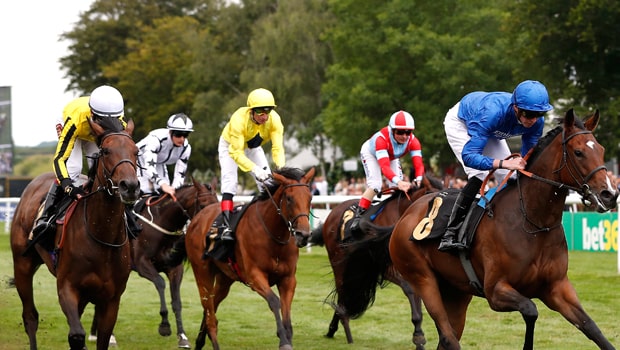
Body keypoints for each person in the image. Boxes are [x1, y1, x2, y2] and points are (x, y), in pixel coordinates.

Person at [438, 80, 554, 252]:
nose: (534, 119)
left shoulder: (536, 121)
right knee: (479, 174)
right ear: (516, 108)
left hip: (490, 130)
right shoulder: (492, 113)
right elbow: (469, 156)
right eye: (529, 114)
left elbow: (527, 156)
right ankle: (450, 233)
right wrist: (503, 163)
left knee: (514, 177)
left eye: (539, 113)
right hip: (461, 122)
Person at [32, 85, 135, 240]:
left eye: (111, 120)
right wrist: (67, 185)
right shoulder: (75, 121)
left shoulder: (119, 122)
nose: (107, 123)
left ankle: (125, 213)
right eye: (103, 120)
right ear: (93, 113)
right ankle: (46, 216)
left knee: (100, 165)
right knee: (74, 168)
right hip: (75, 126)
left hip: (95, 135)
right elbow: (60, 158)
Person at [218, 88, 285, 241]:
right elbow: (236, 154)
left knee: (268, 184)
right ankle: (226, 227)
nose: (265, 116)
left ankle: (270, 224)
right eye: (261, 111)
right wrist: (255, 169)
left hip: (252, 148)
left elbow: (278, 148)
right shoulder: (238, 119)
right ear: (251, 110)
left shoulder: (275, 120)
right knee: (230, 182)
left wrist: (280, 169)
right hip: (230, 147)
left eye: (268, 110)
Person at [349, 110, 425, 232]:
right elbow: (385, 167)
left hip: (391, 156)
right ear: (392, 130)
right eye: (400, 132)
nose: (405, 136)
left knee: (395, 186)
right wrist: (400, 182)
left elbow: (419, 165)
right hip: (371, 153)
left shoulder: (414, 141)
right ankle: (359, 215)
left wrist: (419, 180)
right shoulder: (381, 140)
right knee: (375, 185)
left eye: (408, 132)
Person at [137, 113, 193, 196]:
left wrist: (175, 191)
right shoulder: (156, 140)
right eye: (178, 134)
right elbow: (148, 166)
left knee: (165, 192)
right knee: (145, 190)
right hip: (139, 159)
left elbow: (180, 175)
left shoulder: (186, 148)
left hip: (158, 162)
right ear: (170, 131)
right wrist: (162, 184)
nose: (182, 139)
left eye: (185, 135)